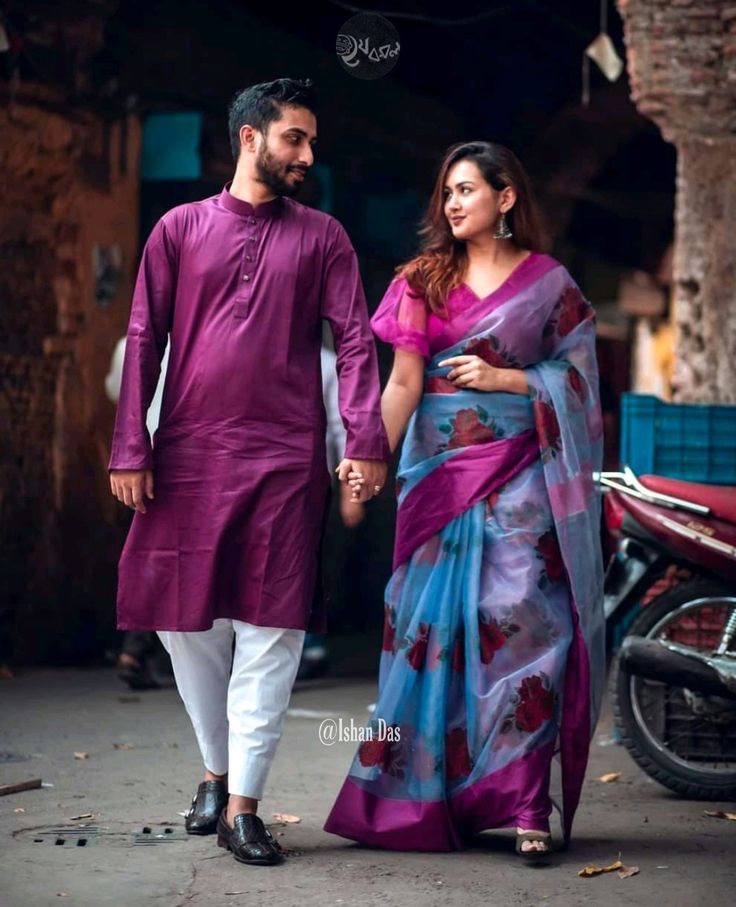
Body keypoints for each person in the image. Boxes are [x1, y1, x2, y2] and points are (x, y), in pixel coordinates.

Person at [109, 78, 389, 867]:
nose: (307, 154)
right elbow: (143, 337)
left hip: (283, 460)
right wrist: (132, 444)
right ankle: (215, 767)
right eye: (294, 138)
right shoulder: (177, 229)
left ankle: (243, 807)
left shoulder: (325, 236)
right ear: (250, 139)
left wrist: (362, 440)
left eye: (310, 140)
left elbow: (357, 341)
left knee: (272, 629)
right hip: (189, 454)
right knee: (183, 624)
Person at [324, 141, 604, 859]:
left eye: (466, 190)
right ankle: (428, 797)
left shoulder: (550, 284)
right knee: (432, 632)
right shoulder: (422, 279)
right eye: (446, 191)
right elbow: (403, 385)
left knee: (526, 621)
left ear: (505, 198)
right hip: (439, 478)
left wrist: (512, 381)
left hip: (522, 472)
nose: (451, 203)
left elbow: (577, 380)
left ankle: (525, 799)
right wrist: (368, 455)